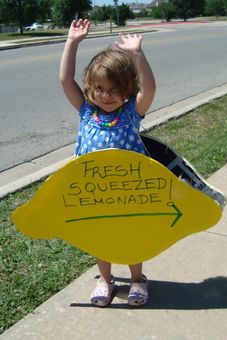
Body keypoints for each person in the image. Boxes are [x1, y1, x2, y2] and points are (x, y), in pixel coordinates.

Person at [60, 19, 156, 307]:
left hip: (129, 192)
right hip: (95, 192)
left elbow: (149, 90)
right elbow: (65, 80)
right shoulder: (88, 112)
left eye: (114, 89)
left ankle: (138, 279)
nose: (106, 95)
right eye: (100, 88)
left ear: (127, 89)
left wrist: (137, 54)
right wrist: (72, 42)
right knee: (100, 234)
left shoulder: (130, 113)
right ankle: (106, 279)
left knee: (131, 234)